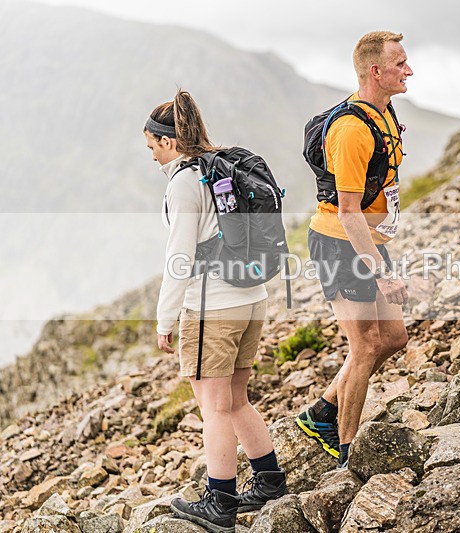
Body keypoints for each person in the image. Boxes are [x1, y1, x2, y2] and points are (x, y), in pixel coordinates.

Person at [145, 89, 286, 533]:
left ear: (168, 140)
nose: (152, 155)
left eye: (151, 146)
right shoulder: (221, 166)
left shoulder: (184, 183)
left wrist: (165, 320)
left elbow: (180, 258)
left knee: (214, 407)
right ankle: (269, 480)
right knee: (236, 399)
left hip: (213, 308)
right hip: (252, 298)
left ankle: (220, 501)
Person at [297, 31, 413, 468]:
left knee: (394, 338)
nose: (409, 70)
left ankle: (322, 410)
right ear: (376, 71)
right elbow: (347, 213)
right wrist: (381, 272)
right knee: (365, 345)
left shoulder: (384, 113)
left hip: (369, 239)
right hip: (339, 241)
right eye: (400, 64)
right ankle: (346, 453)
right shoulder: (350, 131)